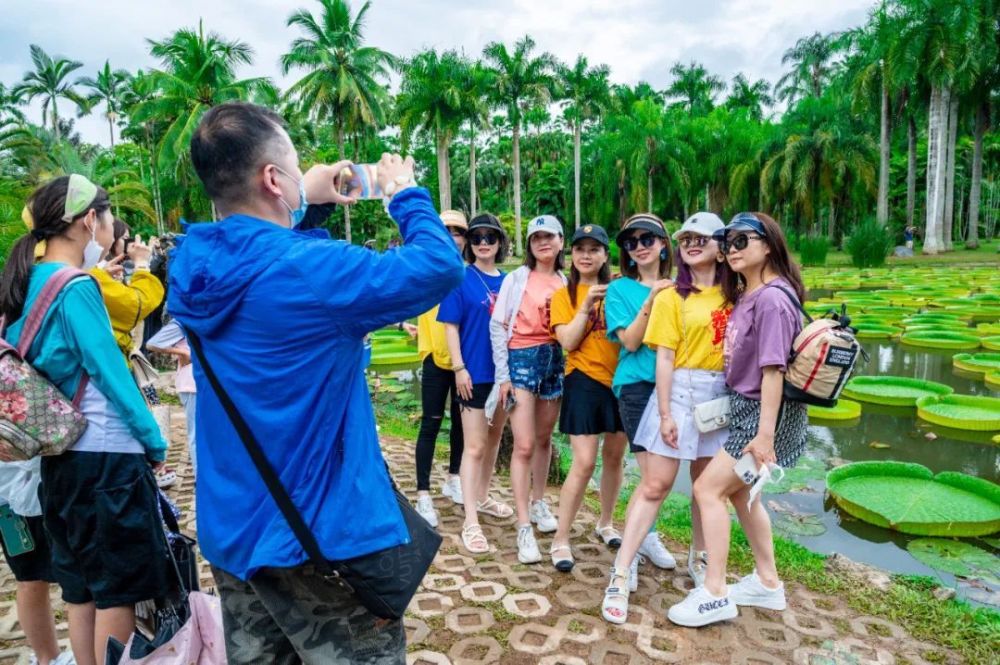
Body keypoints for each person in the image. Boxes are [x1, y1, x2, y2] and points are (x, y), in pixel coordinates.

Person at [168, 102, 465, 663]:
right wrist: (403, 193)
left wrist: (307, 195)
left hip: (235, 528)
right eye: (293, 166)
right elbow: (439, 264)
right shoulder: (315, 269)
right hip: (322, 537)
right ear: (272, 179)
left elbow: (256, 251)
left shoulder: (189, 265)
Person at [1, 175, 169, 665]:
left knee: (81, 593)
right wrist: (153, 439)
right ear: (89, 219)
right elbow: (110, 371)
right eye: (107, 215)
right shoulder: (75, 286)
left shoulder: (25, 284)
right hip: (106, 457)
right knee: (117, 593)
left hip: (59, 461)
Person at [667, 212, 808, 628]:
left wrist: (764, 437)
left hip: (763, 415)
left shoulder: (772, 299)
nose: (732, 249)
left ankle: (714, 592)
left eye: (742, 240)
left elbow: (773, 371)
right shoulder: (750, 293)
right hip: (748, 409)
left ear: (769, 245)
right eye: (728, 241)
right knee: (742, 495)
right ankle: (767, 582)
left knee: (707, 489)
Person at [604, 212, 732, 624]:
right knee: (655, 482)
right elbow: (656, 353)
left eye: (701, 238)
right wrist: (664, 413)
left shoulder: (737, 293)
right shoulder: (667, 295)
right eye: (686, 238)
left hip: (718, 397)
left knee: (707, 486)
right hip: (664, 391)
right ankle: (621, 569)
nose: (639, 246)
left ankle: (701, 560)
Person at [602, 213, 677, 585]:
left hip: (675, 387)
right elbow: (630, 342)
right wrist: (652, 297)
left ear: (663, 243)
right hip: (636, 386)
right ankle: (627, 555)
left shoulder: (682, 288)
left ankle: (646, 535)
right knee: (652, 478)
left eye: (647, 239)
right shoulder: (619, 290)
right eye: (631, 243)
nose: (640, 247)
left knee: (662, 477)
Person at [548, 225, 627, 572]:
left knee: (615, 457)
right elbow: (567, 342)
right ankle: (561, 538)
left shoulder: (621, 289)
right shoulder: (562, 295)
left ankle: (605, 523)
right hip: (582, 379)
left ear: (606, 255)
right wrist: (586, 306)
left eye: (595, 249)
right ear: (571, 254)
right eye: (580, 248)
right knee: (583, 462)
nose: (586, 255)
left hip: (622, 381)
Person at [489, 215, 567, 564]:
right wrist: (503, 376)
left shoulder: (566, 281)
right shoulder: (517, 279)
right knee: (523, 444)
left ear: (561, 241)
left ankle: (538, 502)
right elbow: (497, 325)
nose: (543, 242)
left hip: (554, 359)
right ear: (529, 245)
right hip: (521, 358)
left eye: (549, 236)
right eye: (536, 237)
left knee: (544, 438)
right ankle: (523, 526)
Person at [438, 213, 513, 554]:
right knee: (474, 446)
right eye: (477, 237)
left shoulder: (510, 282)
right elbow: (450, 326)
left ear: (500, 243)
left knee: (494, 439)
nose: (484, 243)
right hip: (473, 373)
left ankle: (482, 497)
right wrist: (459, 368)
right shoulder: (460, 278)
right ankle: (470, 520)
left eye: (490, 237)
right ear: (469, 243)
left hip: (503, 375)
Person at [412, 210, 469, 527]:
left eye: (458, 232)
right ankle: (423, 492)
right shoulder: (426, 269)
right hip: (435, 356)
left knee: (462, 423)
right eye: (446, 230)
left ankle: (454, 477)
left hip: (464, 360)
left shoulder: (469, 273)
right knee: (430, 423)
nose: (452, 237)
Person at [0, 462, 75, 665]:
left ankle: (48, 657)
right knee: (32, 579)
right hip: (21, 499)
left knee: (30, 579)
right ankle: (48, 657)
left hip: (16, 496)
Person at [147, 319, 197, 474]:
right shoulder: (183, 320)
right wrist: (183, 353)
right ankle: (200, 477)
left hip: (206, 383)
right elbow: (152, 344)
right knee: (196, 434)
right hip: (191, 383)